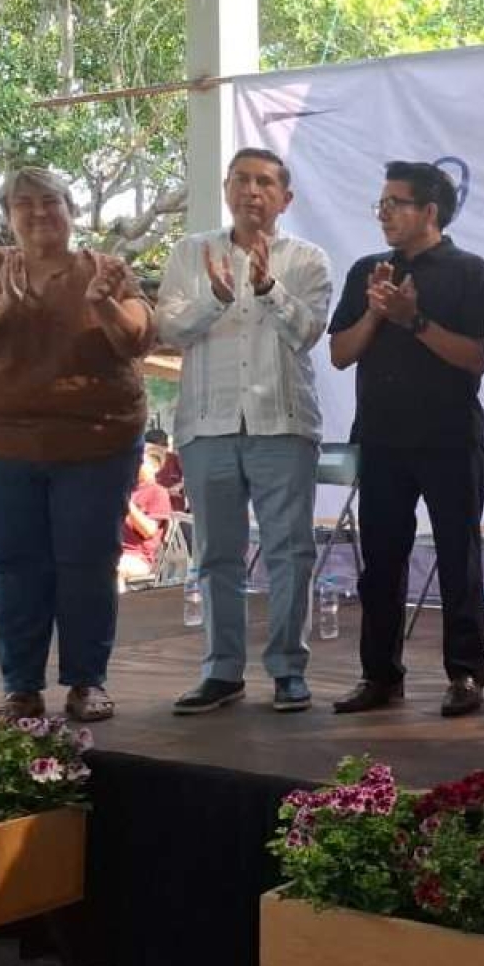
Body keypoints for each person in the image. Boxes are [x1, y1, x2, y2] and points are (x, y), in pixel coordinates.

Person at [0, 165, 153, 722]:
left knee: (88, 563)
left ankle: (86, 682)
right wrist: (5, 304)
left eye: (50, 202)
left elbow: (137, 338)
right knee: (15, 565)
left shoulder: (105, 269)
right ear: (8, 216)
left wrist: (103, 302)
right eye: (24, 203)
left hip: (96, 444)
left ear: (71, 211)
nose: (38, 213)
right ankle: (21, 689)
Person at [157, 146, 333, 715]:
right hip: (207, 426)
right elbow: (170, 328)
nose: (252, 191)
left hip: (282, 423)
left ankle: (288, 669)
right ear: (226, 189)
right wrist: (217, 296)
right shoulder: (190, 253)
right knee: (216, 556)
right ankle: (222, 671)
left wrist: (267, 287)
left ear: (285, 198)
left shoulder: (307, 259)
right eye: (241, 180)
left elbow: (307, 332)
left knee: (290, 552)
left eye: (264, 183)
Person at [328, 161, 484, 717]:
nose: (383, 212)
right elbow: (340, 353)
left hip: (449, 437)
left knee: (458, 559)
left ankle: (465, 674)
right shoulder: (367, 271)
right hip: (381, 440)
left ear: (430, 210)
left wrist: (413, 319)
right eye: (380, 203)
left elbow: (476, 358)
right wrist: (378, 314)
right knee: (380, 562)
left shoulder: (470, 271)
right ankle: (379, 675)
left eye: (395, 203)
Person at [117, 445, 174, 585]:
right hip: (111, 551)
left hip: (137, 557)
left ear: (155, 467)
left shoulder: (157, 492)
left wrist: (127, 503)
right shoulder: (124, 489)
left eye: (140, 461)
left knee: (111, 568)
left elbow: (149, 531)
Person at [145, 427, 187, 512]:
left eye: (159, 450)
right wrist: (166, 492)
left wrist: (178, 486)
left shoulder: (175, 459)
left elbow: (191, 477)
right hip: (151, 509)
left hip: (175, 508)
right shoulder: (142, 462)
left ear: (165, 447)